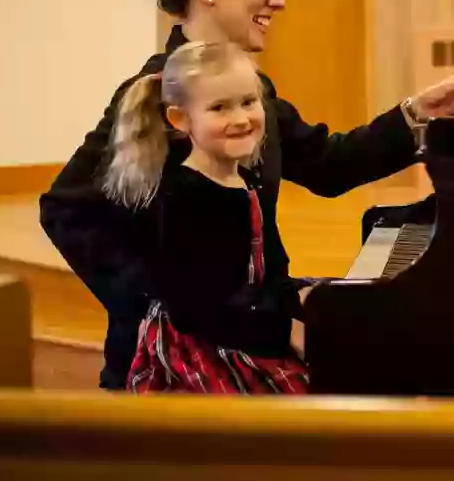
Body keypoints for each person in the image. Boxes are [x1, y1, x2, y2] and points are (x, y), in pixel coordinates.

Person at [39, 0, 454, 390]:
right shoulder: (158, 97)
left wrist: (418, 114)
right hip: (190, 364)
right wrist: (155, 306)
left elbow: (327, 165)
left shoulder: (250, 90)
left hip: (252, 323)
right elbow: (65, 210)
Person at [107, 40, 308, 393]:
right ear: (181, 119)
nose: (242, 118)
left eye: (249, 102)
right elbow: (196, 309)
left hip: (245, 319)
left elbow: (272, 266)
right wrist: (284, 331)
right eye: (220, 108)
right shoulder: (184, 195)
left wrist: (302, 308)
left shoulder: (245, 181)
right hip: (202, 343)